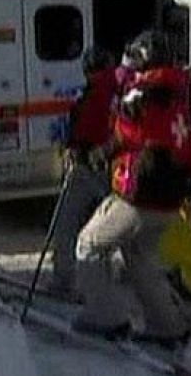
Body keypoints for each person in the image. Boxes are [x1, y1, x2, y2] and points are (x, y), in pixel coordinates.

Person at [73, 30, 191, 346]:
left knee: (89, 245)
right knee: (138, 254)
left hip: (142, 193)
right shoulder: (178, 93)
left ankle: (104, 317)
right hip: (171, 196)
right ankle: (166, 325)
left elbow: (126, 134)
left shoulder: (142, 92)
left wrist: (98, 153)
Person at [50, 47, 118, 296]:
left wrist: (71, 145)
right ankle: (105, 279)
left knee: (66, 224)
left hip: (88, 165)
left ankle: (63, 281)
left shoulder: (94, 93)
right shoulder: (119, 89)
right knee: (104, 228)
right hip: (113, 168)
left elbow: (86, 130)